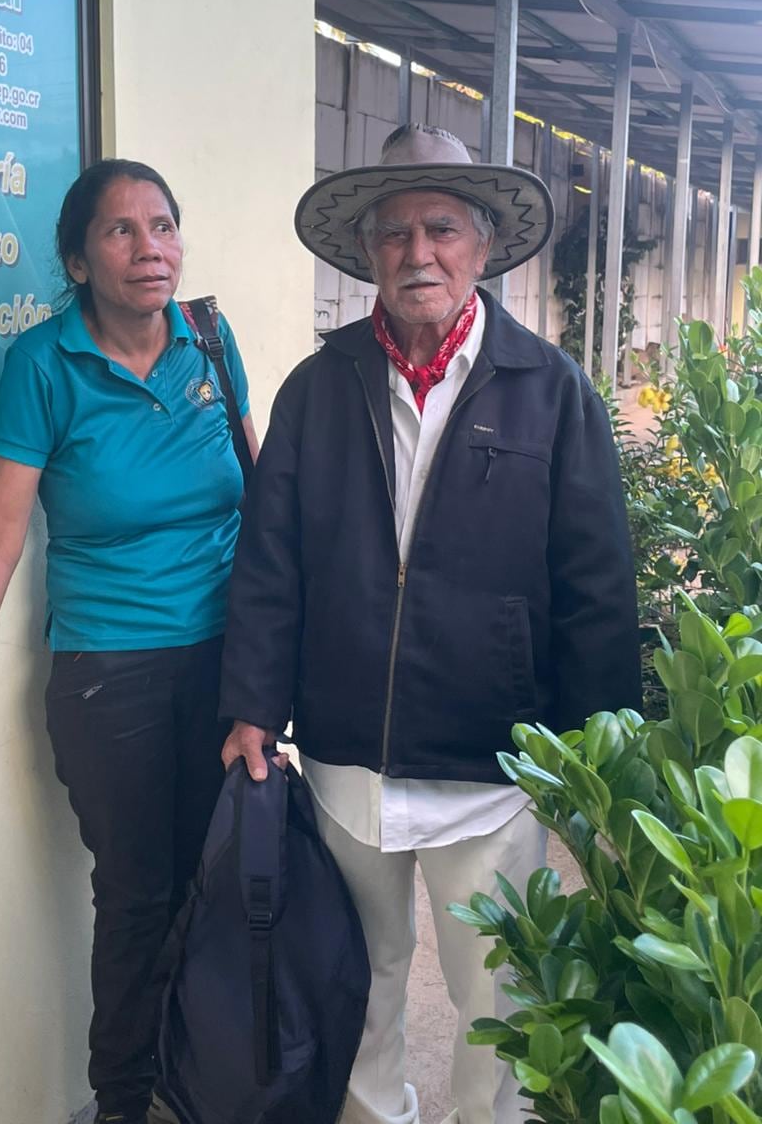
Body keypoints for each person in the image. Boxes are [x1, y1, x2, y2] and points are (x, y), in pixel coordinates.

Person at [219, 124, 640, 1124]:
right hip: (346, 755)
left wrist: (597, 761)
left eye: (442, 228)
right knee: (356, 982)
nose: (419, 253)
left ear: (483, 245)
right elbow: (271, 558)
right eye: (395, 232)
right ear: (367, 252)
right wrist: (252, 702)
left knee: (501, 999)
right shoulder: (318, 388)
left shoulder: (553, 392)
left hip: (492, 764)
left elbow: (596, 585)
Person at [0, 159, 257, 1124]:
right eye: (120, 231)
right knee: (141, 897)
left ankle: (204, 1086)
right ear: (77, 261)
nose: (150, 249)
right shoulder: (44, 364)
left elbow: (259, 492)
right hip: (112, 675)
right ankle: (124, 1102)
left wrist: (279, 665)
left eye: (163, 226)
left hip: (227, 663)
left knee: (221, 882)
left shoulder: (211, 340)